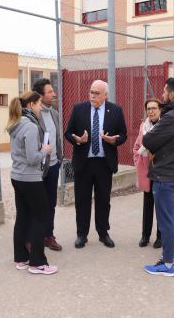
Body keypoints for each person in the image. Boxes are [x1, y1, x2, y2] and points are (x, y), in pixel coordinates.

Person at [64, 80, 127, 249]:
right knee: (82, 200)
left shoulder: (115, 110)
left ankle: (103, 232)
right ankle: (81, 234)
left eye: (97, 93)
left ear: (105, 95)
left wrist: (115, 140)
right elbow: (68, 132)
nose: (93, 96)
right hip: (83, 163)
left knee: (103, 200)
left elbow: (124, 134)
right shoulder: (79, 109)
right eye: (91, 92)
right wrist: (77, 139)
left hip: (104, 163)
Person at [142, 78, 174, 277]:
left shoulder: (171, 117)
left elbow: (148, 140)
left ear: (172, 95)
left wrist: (151, 135)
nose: (162, 94)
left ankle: (166, 264)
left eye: (164, 91)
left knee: (166, 221)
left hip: (165, 176)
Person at [7, 91, 58, 275]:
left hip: (17, 177)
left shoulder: (16, 123)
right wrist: (45, 150)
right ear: (30, 105)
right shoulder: (30, 126)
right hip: (30, 178)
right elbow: (32, 158)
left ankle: (21, 258)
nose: (39, 108)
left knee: (23, 216)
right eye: (38, 104)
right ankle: (37, 262)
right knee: (41, 217)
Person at [32, 78, 63, 251]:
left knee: (50, 203)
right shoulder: (32, 116)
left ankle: (48, 235)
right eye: (50, 91)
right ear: (40, 95)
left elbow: (57, 138)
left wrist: (58, 158)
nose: (54, 94)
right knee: (36, 204)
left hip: (53, 166)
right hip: (37, 168)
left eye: (53, 91)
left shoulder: (54, 113)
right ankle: (32, 237)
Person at [133, 99, 162, 249]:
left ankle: (160, 237)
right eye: (148, 108)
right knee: (147, 204)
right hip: (147, 170)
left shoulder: (164, 125)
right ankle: (145, 236)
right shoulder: (143, 126)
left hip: (161, 171)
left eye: (154, 108)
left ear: (160, 109)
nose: (151, 111)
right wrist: (137, 161)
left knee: (161, 206)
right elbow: (137, 146)